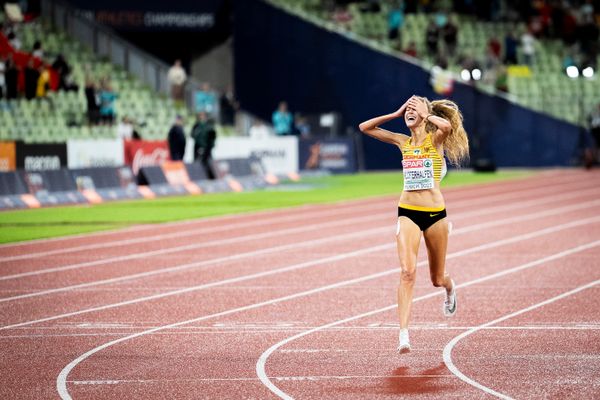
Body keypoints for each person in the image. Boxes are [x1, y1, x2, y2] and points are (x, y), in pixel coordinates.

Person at [358, 95, 469, 353]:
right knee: (407, 272)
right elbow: (365, 127)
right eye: (408, 108)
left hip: (434, 215)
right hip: (407, 211)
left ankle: (450, 288)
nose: (410, 111)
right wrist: (396, 114)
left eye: (413, 108)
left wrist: (426, 113)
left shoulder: (435, 140)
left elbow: (446, 127)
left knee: (436, 278)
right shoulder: (402, 141)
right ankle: (403, 335)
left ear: (424, 113)